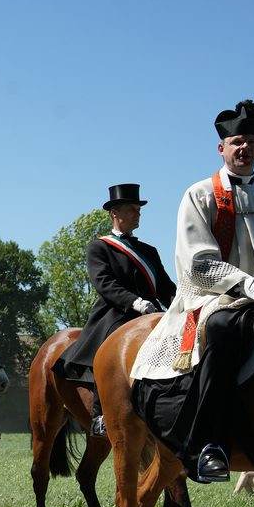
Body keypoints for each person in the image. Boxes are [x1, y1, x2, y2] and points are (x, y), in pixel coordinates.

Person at [130, 100, 254, 483]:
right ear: (222, 148)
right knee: (223, 331)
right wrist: (246, 283)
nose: (243, 148)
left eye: (250, 141)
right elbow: (197, 261)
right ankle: (208, 444)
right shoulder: (200, 194)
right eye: (236, 142)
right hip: (219, 297)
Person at [52, 184, 176, 436]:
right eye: (132, 209)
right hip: (115, 313)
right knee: (109, 348)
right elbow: (104, 283)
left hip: (151, 312)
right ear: (114, 213)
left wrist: (181, 304)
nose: (137, 213)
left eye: (139, 209)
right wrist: (135, 302)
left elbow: (165, 286)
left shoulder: (149, 251)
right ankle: (101, 414)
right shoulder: (99, 247)